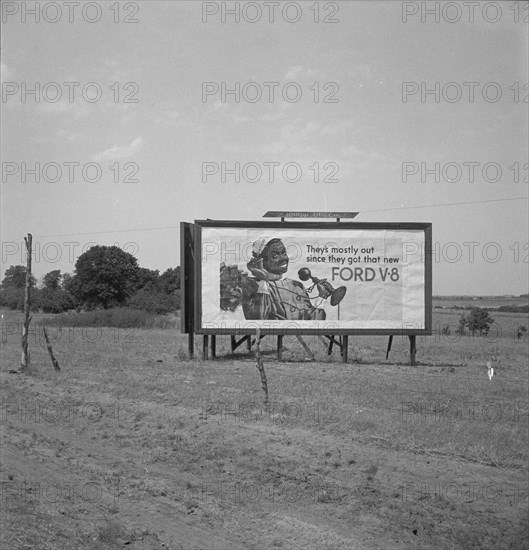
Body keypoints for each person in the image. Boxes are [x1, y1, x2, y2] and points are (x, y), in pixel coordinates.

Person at [241, 238, 326, 321]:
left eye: (284, 253)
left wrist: (322, 295)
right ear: (261, 261)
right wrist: (263, 278)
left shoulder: (296, 285)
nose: (283, 258)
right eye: (275, 256)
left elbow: (313, 322)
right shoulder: (251, 285)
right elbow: (259, 320)